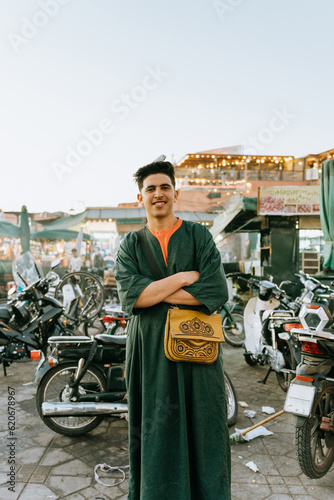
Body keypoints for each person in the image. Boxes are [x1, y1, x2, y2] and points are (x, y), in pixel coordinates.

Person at [115, 160, 231, 499]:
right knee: (155, 426)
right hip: (149, 353)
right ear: (141, 197)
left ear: (175, 193)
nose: (158, 194)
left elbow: (215, 292)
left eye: (164, 187)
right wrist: (182, 278)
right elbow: (131, 296)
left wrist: (153, 292)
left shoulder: (198, 236)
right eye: (150, 188)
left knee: (204, 425)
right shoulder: (130, 245)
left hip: (198, 351)